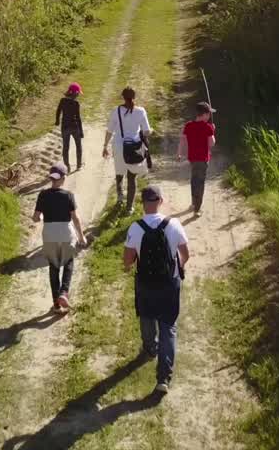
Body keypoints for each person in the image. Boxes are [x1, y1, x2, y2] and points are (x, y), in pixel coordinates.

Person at [123, 186, 189, 395]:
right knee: (168, 327)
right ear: (161, 200)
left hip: (145, 283)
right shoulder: (174, 224)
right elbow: (185, 254)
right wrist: (177, 268)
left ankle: (150, 347)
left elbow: (127, 260)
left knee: (146, 316)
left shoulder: (135, 227)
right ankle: (163, 378)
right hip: (169, 284)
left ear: (143, 203)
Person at [32, 162, 86, 314]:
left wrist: (43, 216)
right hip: (65, 233)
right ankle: (64, 292)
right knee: (68, 262)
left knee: (54, 266)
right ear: (63, 178)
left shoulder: (42, 195)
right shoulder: (68, 195)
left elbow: (35, 218)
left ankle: (56, 305)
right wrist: (81, 236)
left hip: (49, 233)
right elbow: (75, 218)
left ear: (51, 178)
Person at [102, 87, 150, 209]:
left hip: (119, 146)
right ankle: (129, 207)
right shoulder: (141, 111)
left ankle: (119, 198)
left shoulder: (116, 111)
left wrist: (105, 146)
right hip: (134, 148)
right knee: (132, 177)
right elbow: (146, 132)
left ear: (122, 97)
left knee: (119, 174)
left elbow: (109, 131)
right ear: (135, 97)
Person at [177, 101, 217, 217]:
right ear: (204, 114)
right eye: (209, 113)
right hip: (203, 159)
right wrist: (213, 132)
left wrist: (179, 153)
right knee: (200, 183)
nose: (209, 116)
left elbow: (182, 140)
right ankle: (197, 209)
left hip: (192, 159)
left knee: (194, 180)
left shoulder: (188, 125)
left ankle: (193, 203)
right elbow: (212, 144)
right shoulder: (208, 127)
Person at [55, 83, 84, 171]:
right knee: (78, 146)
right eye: (78, 93)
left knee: (66, 147)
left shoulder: (62, 100)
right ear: (74, 93)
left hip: (65, 127)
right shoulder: (76, 103)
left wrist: (57, 121)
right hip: (75, 127)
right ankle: (79, 165)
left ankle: (67, 167)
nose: (78, 94)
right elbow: (78, 118)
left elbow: (58, 111)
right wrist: (81, 131)